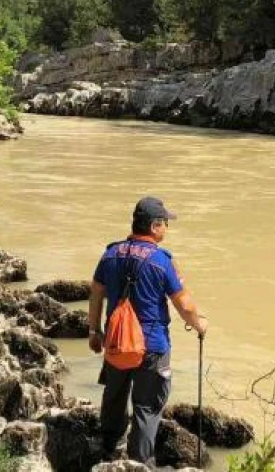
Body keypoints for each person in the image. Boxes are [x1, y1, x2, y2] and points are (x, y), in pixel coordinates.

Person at [88, 197, 208, 466]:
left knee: (114, 396)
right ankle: (139, 464)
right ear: (154, 226)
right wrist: (200, 324)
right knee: (147, 408)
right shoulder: (161, 261)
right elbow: (185, 305)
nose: (167, 228)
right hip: (151, 348)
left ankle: (108, 451)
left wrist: (94, 331)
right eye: (165, 223)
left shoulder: (110, 254)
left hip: (116, 344)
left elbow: (96, 293)